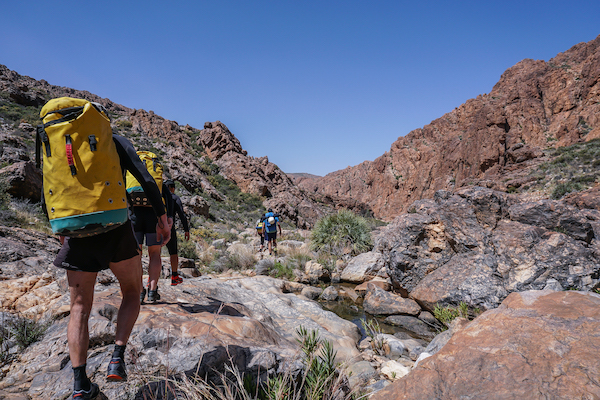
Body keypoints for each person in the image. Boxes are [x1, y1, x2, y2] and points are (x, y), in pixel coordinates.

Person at [51, 135, 171, 399]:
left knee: (79, 306)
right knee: (131, 290)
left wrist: (57, 224)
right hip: (115, 226)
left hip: (75, 226)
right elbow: (145, 177)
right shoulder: (111, 138)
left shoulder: (58, 141)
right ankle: (117, 358)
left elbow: (49, 183)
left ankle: (80, 384)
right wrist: (162, 217)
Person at [132, 178, 174, 304]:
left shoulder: (131, 172)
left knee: (136, 255)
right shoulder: (154, 176)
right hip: (154, 215)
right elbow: (169, 197)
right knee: (155, 253)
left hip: (134, 215)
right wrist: (169, 217)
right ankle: (152, 291)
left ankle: (139, 292)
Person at [164, 180, 190, 285]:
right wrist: (186, 230)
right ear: (172, 188)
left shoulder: (157, 196)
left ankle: (151, 281)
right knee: (173, 253)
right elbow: (181, 215)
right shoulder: (174, 198)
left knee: (155, 253)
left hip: (156, 227)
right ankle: (174, 276)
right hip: (169, 228)